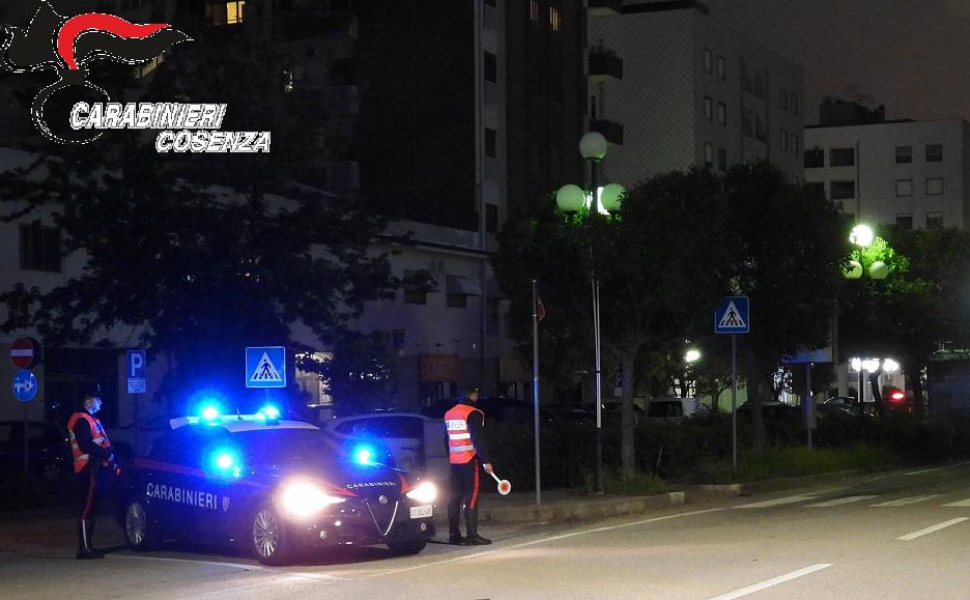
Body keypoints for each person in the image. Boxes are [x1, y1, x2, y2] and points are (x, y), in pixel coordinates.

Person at [67, 391, 118, 559]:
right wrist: (107, 454)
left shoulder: (90, 419)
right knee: (87, 508)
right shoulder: (81, 419)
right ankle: (84, 549)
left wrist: (109, 456)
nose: (101, 402)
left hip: (95, 468)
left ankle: (88, 546)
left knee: (91, 507)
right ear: (88, 401)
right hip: (87, 468)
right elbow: (85, 445)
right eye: (98, 399)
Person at [444, 387, 493, 546]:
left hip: (455, 461)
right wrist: (486, 460)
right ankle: (472, 535)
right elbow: (477, 439)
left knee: (455, 495)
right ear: (474, 394)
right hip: (469, 460)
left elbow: (446, 439)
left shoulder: (449, 413)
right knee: (471, 495)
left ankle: (453, 534)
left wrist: (451, 456)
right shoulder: (473, 413)